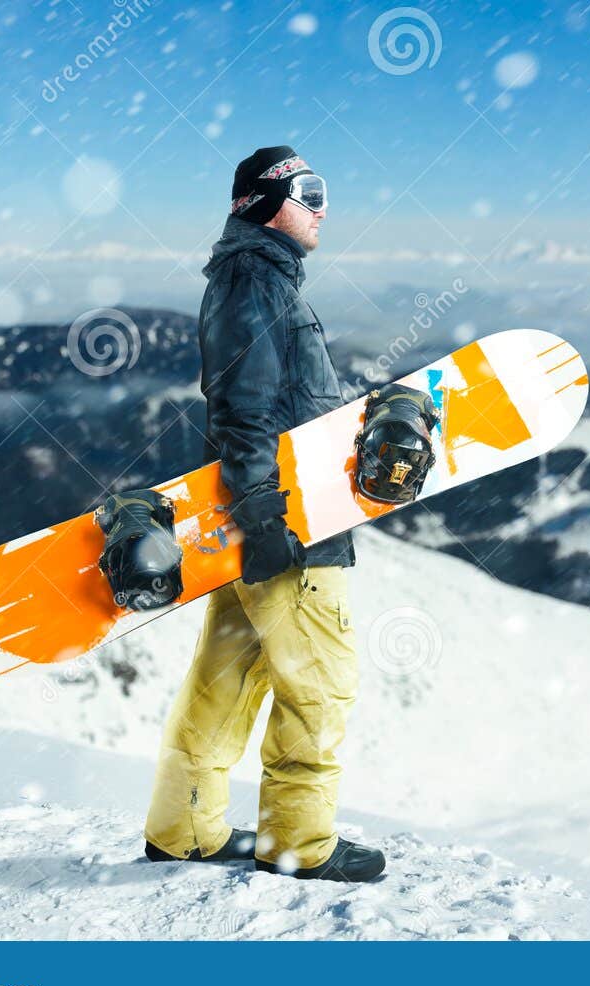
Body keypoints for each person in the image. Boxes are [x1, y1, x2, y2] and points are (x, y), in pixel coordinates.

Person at [141, 145, 384, 882]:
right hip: (289, 528)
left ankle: (182, 831)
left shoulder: (254, 276)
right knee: (319, 687)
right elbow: (244, 414)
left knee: (224, 684)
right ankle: (299, 843)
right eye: (309, 191)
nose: (322, 207)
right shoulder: (256, 280)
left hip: (253, 528)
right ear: (260, 202)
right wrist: (270, 521)